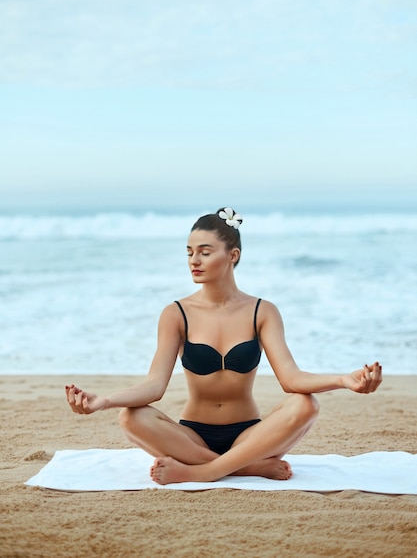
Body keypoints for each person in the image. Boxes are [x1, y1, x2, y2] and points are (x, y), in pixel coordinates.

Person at [65, 207, 383, 485]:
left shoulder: (263, 311)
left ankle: (202, 472)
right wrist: (105, 400)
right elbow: (154, 385)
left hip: (249, 436)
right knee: (130, 418)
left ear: (233, 255)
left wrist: (343, 380)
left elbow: (291, 379)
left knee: (306, 405)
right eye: (189, 252)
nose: (194, 260)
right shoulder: (176, 313)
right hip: (191, 436)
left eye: (205, 251)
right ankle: (244, 469)